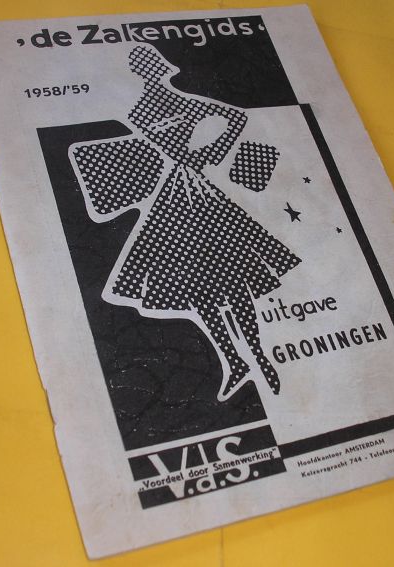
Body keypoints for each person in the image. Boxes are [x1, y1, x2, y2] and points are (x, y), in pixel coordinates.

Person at [75, 45, 300, 400]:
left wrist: (212, 152)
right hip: (172, 198)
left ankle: (257, 354)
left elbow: (236, 117)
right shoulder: (137, 113)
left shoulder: (187, 101)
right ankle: (234, 360)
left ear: (160, 68)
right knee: (194, 286)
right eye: (141, 69)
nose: (148, 73)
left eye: (150, 66)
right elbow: (146, 155)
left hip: (202, 193)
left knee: (233, 275)